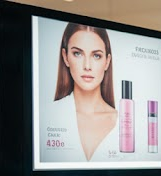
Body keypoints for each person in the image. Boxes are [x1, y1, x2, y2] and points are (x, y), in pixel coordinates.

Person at [51, 23, 118, 162]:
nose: (87, 66)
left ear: (107, 61)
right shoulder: (48, 114)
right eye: (78, 54)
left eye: (96, 56)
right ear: (65, 57)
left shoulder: (124, 124)